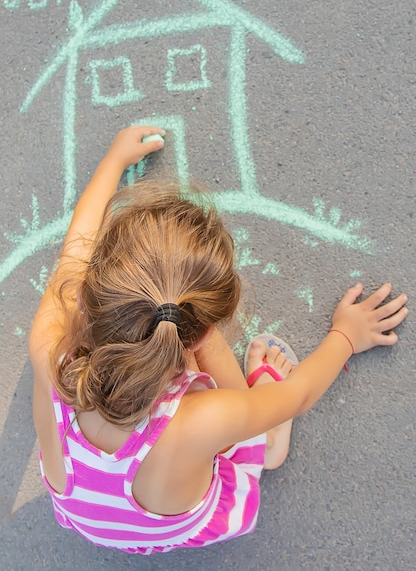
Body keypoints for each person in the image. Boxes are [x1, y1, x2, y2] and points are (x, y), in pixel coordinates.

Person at [29, 125, 408, 555]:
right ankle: (267, 442)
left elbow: (73, 254)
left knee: (212, 415)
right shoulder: (202, 418)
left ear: (86, 295)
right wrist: (346, 335)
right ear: (204, 330)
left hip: (87, 516)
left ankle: (246, 410)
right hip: (180, 513)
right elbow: (299, 393)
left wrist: (111, 163)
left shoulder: (49, 349)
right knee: (246, 414)